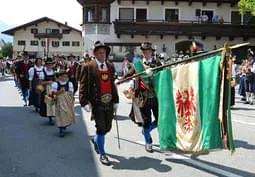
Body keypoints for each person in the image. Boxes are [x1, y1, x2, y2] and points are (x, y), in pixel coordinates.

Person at [79, 41, 119, 166]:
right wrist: (83, 101)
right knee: (101, 129)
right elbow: (83, 85)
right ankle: (103, 154)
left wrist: (116, 100)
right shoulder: (88, 66)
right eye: (100, 53)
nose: (103, 55)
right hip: (97, 102)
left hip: (109, 102)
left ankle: (96, 141)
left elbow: (112, 85)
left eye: (104, 53)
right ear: (95, 54)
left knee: (107, 128)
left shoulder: (110, 66)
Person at [119, 42, 161, 153]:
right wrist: (119, 80)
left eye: (148, 52)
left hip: (156, 96)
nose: (147, 53)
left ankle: (146, 131)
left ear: (151, 52)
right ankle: (148, 142)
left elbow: (164, 75)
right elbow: (129, 73)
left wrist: (154, 73)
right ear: (142, 53)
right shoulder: (138, 64)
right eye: (144, 52)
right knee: (146, 121)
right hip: (143, 97)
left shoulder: (157, 63)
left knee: (159, 120)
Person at [52, 69, 76, 137]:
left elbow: (71, 93)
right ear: (59, 77)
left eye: (65, 77)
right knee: (61, 113)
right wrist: (59, 92)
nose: (64, 78)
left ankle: (65, 124)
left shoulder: (69, 84)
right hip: (60, 101)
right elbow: (53, 93)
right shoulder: (56, 84)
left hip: (68, 101)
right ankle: (61, 129)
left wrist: (72, 100)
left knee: (67, 113)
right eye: (62, 76)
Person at [39, 58, 56, 125]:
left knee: (53, 103)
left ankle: (53, 115)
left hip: (53, 90)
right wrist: (48, 82)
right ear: (45, 65)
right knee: (48, 104)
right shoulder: (42, 73)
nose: (49, 66)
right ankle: (50, 118)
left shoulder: (54, 72)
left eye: (50, 64)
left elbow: (56, 80)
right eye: (48, 64)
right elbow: (40, 83)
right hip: (46, 90)